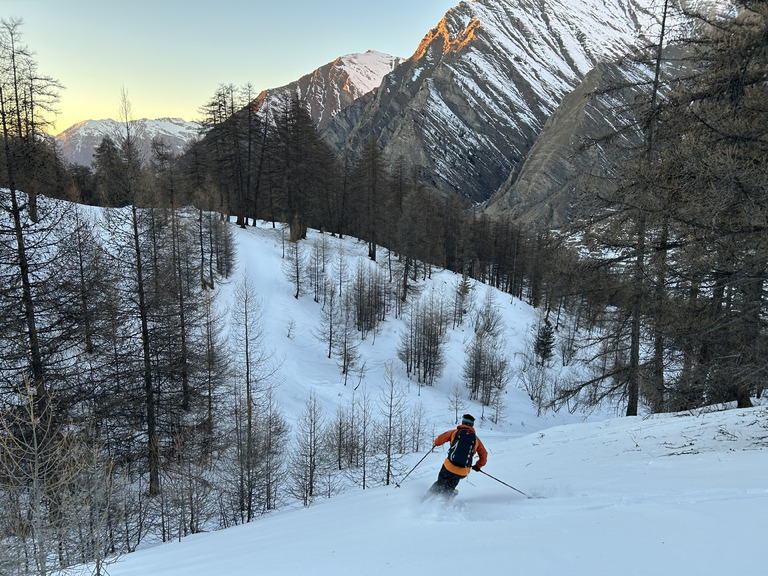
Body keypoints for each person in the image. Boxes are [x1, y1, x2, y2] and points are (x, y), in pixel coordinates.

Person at [428, 413, 487, 497]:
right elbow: (484, 455)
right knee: (450, 486)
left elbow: (438, 441)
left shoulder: (454, 433)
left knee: (439, 484)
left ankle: (425, 500)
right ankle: (443, 503)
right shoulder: (476, 439)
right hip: (463, 471)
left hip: (449, 466)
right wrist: (478, 466)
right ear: (472, 425)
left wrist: (436, 444)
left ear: (462, 422)